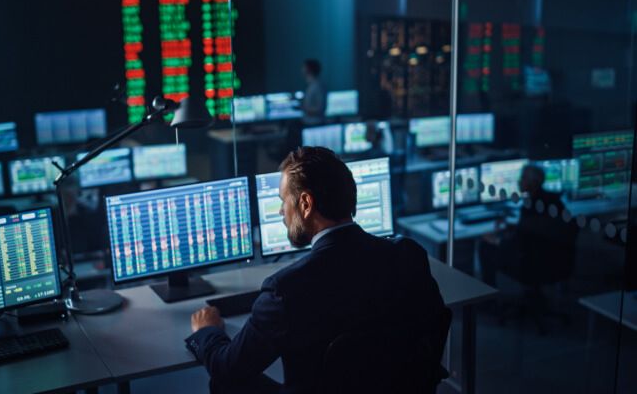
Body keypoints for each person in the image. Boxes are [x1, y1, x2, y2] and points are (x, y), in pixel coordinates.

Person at [186, 146, 447, 394]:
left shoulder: (285, 290)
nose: (280, 211)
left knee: (225, 383)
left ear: (306, 204)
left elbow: (228, 368)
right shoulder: (408, 255)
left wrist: (207, 332)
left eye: (283, 201)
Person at [480, 164, 576, 287]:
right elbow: (539, 230)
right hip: (557, 263)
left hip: (532, 267)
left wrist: (495, 240)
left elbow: (519, 243)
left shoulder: (530, 206)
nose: (520, 181)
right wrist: (513, 226)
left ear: (533, 183)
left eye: (523, 178)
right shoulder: (554, 201)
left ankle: (488, 296)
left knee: (486, 246)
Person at [300, 59, 326, 125]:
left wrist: (304, 108)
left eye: (304, 67)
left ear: (309, 69)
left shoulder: (317, 86)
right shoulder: (310, 86)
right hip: (308, 122)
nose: (302, 69)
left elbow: (320, 108)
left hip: (315, 123)